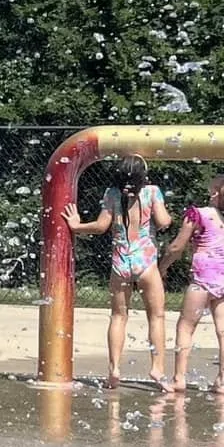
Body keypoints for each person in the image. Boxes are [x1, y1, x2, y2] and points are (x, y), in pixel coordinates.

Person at [64, 155, 172, 387]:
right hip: (146, 263)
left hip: (121, 263)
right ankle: (157, 369)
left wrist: (76, 225)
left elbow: (101, 226)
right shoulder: (152, 192)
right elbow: (164, 221)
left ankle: (114, 369)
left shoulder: (112, 194)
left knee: (118, 316)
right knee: (156, 316)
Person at [162, 174, 224, 394]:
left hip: (202, 278)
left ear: (215, 194)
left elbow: (177, 247)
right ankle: (222, 380)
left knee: (186, 326)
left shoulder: (199, 214)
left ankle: (179, 378)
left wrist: (162, 266)